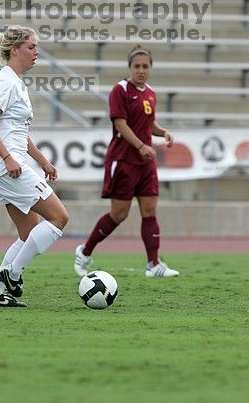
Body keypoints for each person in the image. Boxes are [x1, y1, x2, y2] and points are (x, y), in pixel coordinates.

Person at [0, 26, 69, 308]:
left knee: (28, 234)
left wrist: (42, 161)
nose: (36, 52)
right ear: (14, 50)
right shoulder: (5, 82)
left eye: (36, 47)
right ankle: (12, 272)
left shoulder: (16, 82)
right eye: (31, 47)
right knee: (60, 218)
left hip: (9, 166)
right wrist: (7, 158)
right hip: (7, 168)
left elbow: (16, 130)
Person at [73, 45, 180, 278]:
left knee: (150, 210)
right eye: (137, 66)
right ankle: (85, 251)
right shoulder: (120, 90)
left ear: (151, 68)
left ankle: (154, 264)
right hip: (123, 160)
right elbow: (121, 124)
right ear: (129, 67)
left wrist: (163, 133)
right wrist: (141, 146)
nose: (141, 70)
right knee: (119, 214)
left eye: (145, 66)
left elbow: (148, 124)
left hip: (145, 162)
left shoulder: (150, 92)